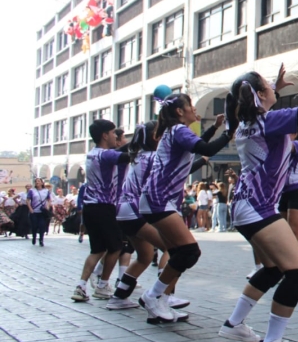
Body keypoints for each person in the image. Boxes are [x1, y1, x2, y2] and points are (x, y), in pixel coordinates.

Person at [217, 58, 298, 342]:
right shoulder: (271, 121)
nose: (271, 85)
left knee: (274, 268)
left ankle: (234, 325)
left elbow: (251, 105)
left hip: (243, 205)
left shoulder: (243, 123)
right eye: (266, 84)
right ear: (259, 95)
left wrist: (271, 90)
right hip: (258, 207)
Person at [137, 94, 230, 323]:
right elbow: (206, 147)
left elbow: (198, 146)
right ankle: (153, 295)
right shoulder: (178, 130)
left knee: (179, 253)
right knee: (189, 251)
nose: (193, 108)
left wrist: (216, 128)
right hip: (159, 198)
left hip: (159, 198)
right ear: (180, 111)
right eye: (189, 105)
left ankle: (160, 301)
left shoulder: (175, 131)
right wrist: (229, 130)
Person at [108, 121, 206, 314]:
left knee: (144, 257)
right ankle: (163, 296)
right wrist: (202, 160)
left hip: (124, 212)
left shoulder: (137, 156)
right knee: (174, 249)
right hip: (137, 211)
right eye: (160, 134)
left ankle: (119, 297)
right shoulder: (154, 157)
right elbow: (177, 171)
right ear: (154, 137)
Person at [71, 120, 132, 302]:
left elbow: (121, 151)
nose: (116, 136)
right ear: (105, 135)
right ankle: (103, 285)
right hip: (104, 207)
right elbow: (126, 156)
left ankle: (81, 286)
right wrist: (142, 140)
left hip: (90, 207)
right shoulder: (106, 155)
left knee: (97, 250)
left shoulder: (92, 154)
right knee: (116, 247)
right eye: (114, 133)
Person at [26, 178, 51, 246]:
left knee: (42, 225)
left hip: (42, 212)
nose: (37, 183)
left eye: (39, 181)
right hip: (34, 211)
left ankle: (41, 240)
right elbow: (27, 200)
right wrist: (30, 209)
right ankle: (34, 237)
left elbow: (49, 200)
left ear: (42, 183)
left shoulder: (46, 191)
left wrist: (48, 206)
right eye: (36, 182)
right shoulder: (32, 191)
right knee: (34, 226)